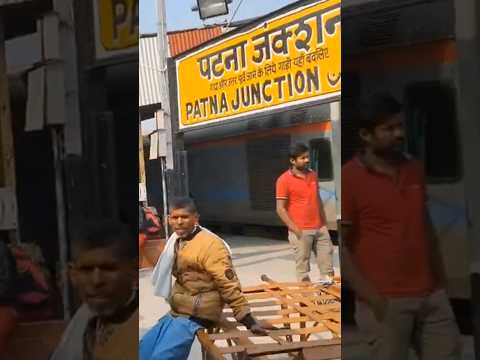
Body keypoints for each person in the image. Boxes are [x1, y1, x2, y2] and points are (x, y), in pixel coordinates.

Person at [341, 93, 461, 359]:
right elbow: (343, 247)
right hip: (386, 303)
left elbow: (425, 227)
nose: (398, 134)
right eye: (389, 128)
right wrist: (373, 299)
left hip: (431, 297)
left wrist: (440, 283)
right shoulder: (349, 178)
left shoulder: (414, 168)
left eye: (400, 126)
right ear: (366, 135)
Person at [140, 197, 271, 360]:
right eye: (175, 217)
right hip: (180, 310)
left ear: (196, 218)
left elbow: (228, 284)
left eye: (184, 217)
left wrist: (248, 319)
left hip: (198, 313)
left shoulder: (210, 245)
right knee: (143, 349)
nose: (179, 222)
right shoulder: (178, 240)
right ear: (168, 219)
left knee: (162, 357)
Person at [51, 220, 138, 360]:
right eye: (86, 270)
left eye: (108, 268)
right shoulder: (83, 317)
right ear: (72, 274)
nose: (97, 280)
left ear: (133, 270)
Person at [276, 143, 334, 283]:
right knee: (303, 270)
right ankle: (306, 302)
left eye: (307, 157)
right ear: (292, 160)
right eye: (303, 158)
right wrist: (295, 229)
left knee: (327, 268)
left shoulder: (313, 175)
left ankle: (324, 299)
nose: (307, 160)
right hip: (301, 230)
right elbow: (280, 208)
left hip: (320, 228)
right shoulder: (284, 180)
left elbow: (317, 198)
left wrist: (324, 223)